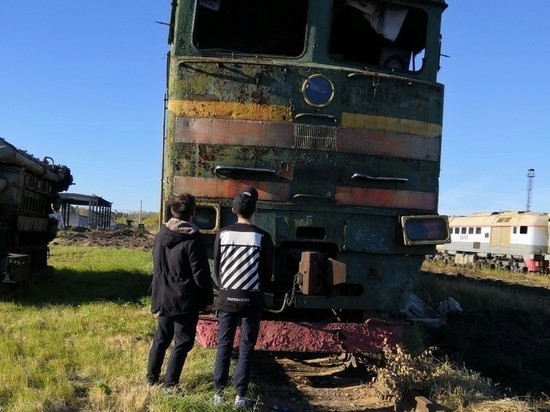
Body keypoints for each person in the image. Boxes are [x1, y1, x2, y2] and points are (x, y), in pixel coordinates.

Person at [212, 186, 274, 409]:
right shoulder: (262, 237)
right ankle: (240, 397)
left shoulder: (223, 234)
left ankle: (218, 395)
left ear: (233, 210)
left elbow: (218, 266)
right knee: (247, 346)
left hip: (226, 297)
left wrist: (226, 287)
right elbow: (267, 272)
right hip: (251, 298)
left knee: (224, 345)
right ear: (254, 210)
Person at [146, 193, 214, 388]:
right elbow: (200, 273)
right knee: (183, 341)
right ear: (193, 212)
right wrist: (208, 299)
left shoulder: (161, 235)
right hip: (184, 298)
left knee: (161, 337)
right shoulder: (193, 238)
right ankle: (170, 384)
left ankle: (151, 379)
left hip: (162, 294)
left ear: (172, 211)